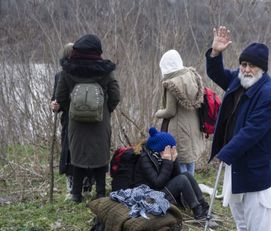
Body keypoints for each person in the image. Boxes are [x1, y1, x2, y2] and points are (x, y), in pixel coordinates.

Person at [205, 26, 271, 231]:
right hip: (235, 154)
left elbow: (253, 131)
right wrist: (215, 53)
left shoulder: (268, 93)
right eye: (244, 64)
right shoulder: (240, 80)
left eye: (252, 66)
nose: (246, 69)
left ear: (262, 68)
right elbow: (217, 74)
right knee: (236, 199)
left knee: (257, 205)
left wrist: (226, 152)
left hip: (255, 157)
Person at [55, 34, 120, 203]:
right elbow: (115, 95)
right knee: (100, 154)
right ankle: (99, 193)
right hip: (101, 121)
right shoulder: (106, 71)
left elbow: (60, 97)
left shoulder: (68, 70)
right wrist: (106, 110)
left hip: (76, 122)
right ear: (97, 51)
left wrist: (74, 111)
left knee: (78, 154)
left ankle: (76, 194)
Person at [133, 127, 210, 220]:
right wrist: (167, 161)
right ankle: (198, 212)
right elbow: (157, 183)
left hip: (159, 190)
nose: (171, 150)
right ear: (159, 149)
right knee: (182, 179)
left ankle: (204, 206)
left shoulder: (159, 156)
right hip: (149, 196)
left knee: (186, 175)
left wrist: (174, 160)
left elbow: (177, 176)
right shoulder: (144, 159)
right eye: (169, 148)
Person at [51, 43, 94, 200]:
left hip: (87, 119)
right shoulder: (60, 76)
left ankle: (87, 184)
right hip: (68, 120)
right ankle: (72, 186)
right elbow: (56, 100)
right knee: (69, 152)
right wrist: (54, 105)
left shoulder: (87, 74)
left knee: (86, 150)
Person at [155, 49, 205, 176]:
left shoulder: (172, 84)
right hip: (193, 127)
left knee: (181, 161)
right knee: (190, 159)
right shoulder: (192, 77)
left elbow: (170, 111)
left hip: (179, 129)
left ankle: (185, 190)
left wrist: (157, 113)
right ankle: (192, 186)